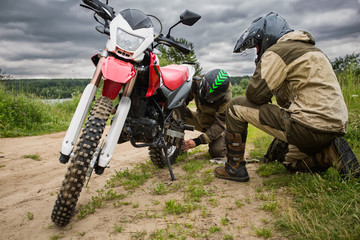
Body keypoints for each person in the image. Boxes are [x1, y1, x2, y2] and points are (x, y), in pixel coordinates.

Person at [214, 12, 360, 182]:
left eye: (257, 46)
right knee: (290, 162)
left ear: (267, 37)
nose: (257, 51)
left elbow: (255, 95)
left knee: (235, 106)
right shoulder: (314, 51)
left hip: (308, 126)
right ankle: (330, 153)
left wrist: (261, 66)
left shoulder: (279, 51)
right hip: (334, 127)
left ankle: (234, 167)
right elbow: (286, 101)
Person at [181, 69, 232, 160]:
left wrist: (197, 141)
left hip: (215, 126)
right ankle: (177, 146)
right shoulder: (196, 82)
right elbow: (184, 98)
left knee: (217, 152)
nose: (207, 97)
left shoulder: (226, 99)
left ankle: (228, 140)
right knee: (178, 111)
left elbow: (219, 125)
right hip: (200, 119)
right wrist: (183, 102)